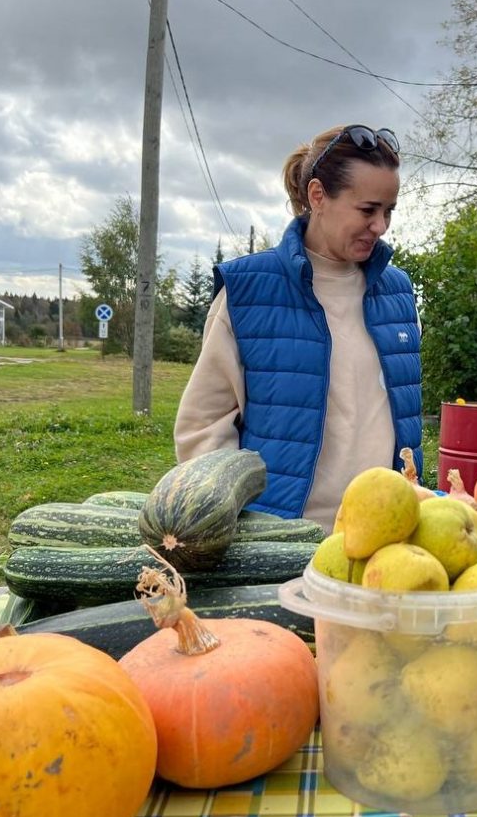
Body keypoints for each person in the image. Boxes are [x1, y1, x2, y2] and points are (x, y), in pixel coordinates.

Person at [173, 124, 422, 531]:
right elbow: (203, 428)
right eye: (367, 210)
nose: (381, 226)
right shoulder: (249, 290)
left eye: (388, 211)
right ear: (318, 196)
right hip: (279, 543)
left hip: (384, 539)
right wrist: (236, 526)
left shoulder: (397, 292)